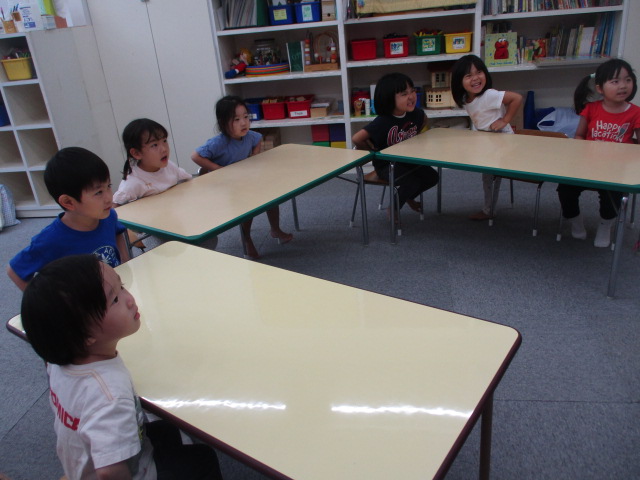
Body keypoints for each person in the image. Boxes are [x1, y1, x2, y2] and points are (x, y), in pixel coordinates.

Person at [21, 254, 223, 480]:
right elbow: (110, 471)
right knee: (203, 457)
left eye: (122, 286)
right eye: (115, 299)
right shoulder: (110, 396)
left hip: (81, 464)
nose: (130, 299)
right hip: (133, 473)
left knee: (166, 429)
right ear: (85, 335)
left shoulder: (59, 363)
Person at [6, 147, 129, 291]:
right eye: (98, 192)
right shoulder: (51, 240)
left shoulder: (109, 216)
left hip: (115, 291)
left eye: (108, 186)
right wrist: (48, 301)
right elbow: (15, 271)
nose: (109, 197)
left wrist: (125, 260)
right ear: (68, 202)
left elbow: (118, 231)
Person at [191, 95, 292, 259]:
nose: (244, 123)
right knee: (248, 205)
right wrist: (219, 169)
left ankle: (275, 229)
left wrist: (254, 156)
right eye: (236, 119)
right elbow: (195, 156)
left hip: (243, 180)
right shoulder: (218, 142)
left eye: (246, 117)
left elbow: (258, 139)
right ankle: (246, 238)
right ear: (223, 123)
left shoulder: (249, 136)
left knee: (272, 196)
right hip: (223, 186)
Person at [557, 58, 640, 247]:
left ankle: (605, 226)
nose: (623, 86)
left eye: (628, 80)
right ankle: (576, 221)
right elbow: (579, 135)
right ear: (600, 88)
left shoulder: (635, 112)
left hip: (616, 168)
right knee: (565, 188)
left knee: (613, 194)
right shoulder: (591, 108)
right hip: (588, 165)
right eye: (615, 81)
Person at [352, 72, 439, 217]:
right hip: (386, 165)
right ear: (389, 99)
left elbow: (424, 119)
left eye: (412, 91)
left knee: (432, 177)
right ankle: (393, 208)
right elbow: (357, 138)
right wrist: (372, 153)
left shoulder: (416, 114)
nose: (411, 96)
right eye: (404, 94)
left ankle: (408, 197)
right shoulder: (383, 121)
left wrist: (415, 136)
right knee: (412, 182)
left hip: (408, 160)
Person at [452, 54, 523, 221]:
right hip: (488, 140)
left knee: (490, 177)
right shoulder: (467, 99)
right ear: (459, 81)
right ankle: (489, 208)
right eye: (468, 75)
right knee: (487, 177)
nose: (475, 78)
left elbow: (517, 98)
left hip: (502, 139)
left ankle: (488, 210)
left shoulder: (489, 95)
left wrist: (505, 120)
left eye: (479, 72)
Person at [113, 118, 192, 206]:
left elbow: (188, 183)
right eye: (154, 145)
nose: (164, 149)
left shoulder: (170, 166)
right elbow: (116, 207)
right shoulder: (132, 183)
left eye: (164, 141)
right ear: (136, 153)